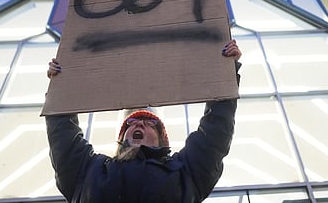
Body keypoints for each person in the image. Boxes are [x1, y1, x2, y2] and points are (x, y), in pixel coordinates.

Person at [45, 39, 242, 203]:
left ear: (162, 138)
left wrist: (226, 72)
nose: (138, 124)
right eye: (131, 123)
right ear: (122, 137)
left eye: (149, 123)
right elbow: (62, 134)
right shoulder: (87, 171)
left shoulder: (186, 172)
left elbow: (216, 130)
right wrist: (60, 84)